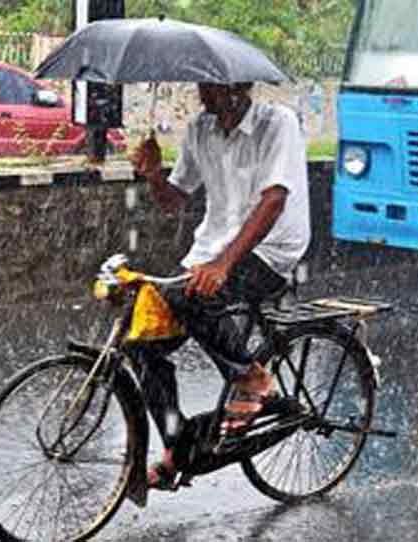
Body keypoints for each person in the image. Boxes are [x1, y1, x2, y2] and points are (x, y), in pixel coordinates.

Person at [130, 82, 311, 490]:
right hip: (212, 248)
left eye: (215, 86)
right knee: (141, 339)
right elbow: (175, 200)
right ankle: (178, 448)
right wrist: (155, 175)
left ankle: (250, 376)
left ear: (241, 85)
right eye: (202, 85)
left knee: (189, 297)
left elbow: (274, 200)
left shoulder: (277, 124)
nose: (205, 94)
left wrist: (224, 265)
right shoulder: (200, 129)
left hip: (272, 248)